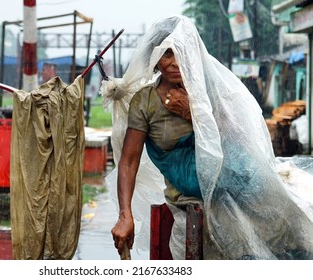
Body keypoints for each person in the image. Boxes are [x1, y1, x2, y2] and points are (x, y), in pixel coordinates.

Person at [100, 14, 313, 260]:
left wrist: (192, 113)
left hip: (238, 180)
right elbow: (128, 161)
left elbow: (237, 139)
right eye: (167, 53)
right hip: (191, 191)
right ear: (155, 60)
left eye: (181, 51)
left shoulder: (210, 90)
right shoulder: (145, 102)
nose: (174, 62)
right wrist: (125, 215)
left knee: (290, 224)